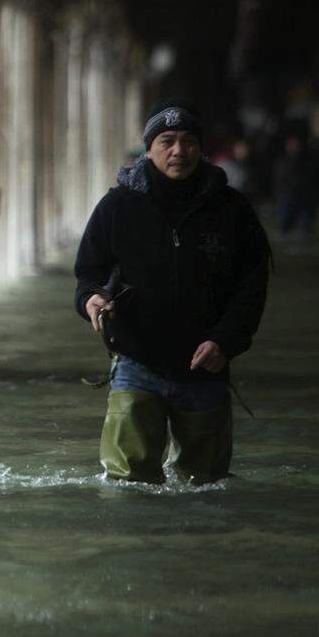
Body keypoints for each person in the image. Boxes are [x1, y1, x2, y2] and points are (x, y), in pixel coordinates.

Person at [74, 98, 270, 485]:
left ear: (201, 148)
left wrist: (225, 341)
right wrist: (91, 299)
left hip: (206, 365)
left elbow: (252, 286)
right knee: (127, 482)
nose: (178, 150)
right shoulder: (118, 206)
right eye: (166, 141)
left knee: (205, 486)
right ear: (149, 149)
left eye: (188, 141)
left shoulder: (232, 210)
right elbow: (88, 272)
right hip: (136, 360)